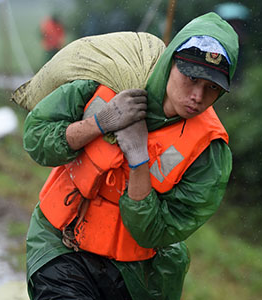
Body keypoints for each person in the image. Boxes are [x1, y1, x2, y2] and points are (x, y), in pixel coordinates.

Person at [19, 12, 238, 300]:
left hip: (135, 274)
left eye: (212, 87)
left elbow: (157, 232)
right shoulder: (110, 78)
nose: (197, 95)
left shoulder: (210, 150)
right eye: (191, 78)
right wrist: (99, 123)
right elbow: (36, 138)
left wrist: (138, 161)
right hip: (60, 243)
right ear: (171, 62)